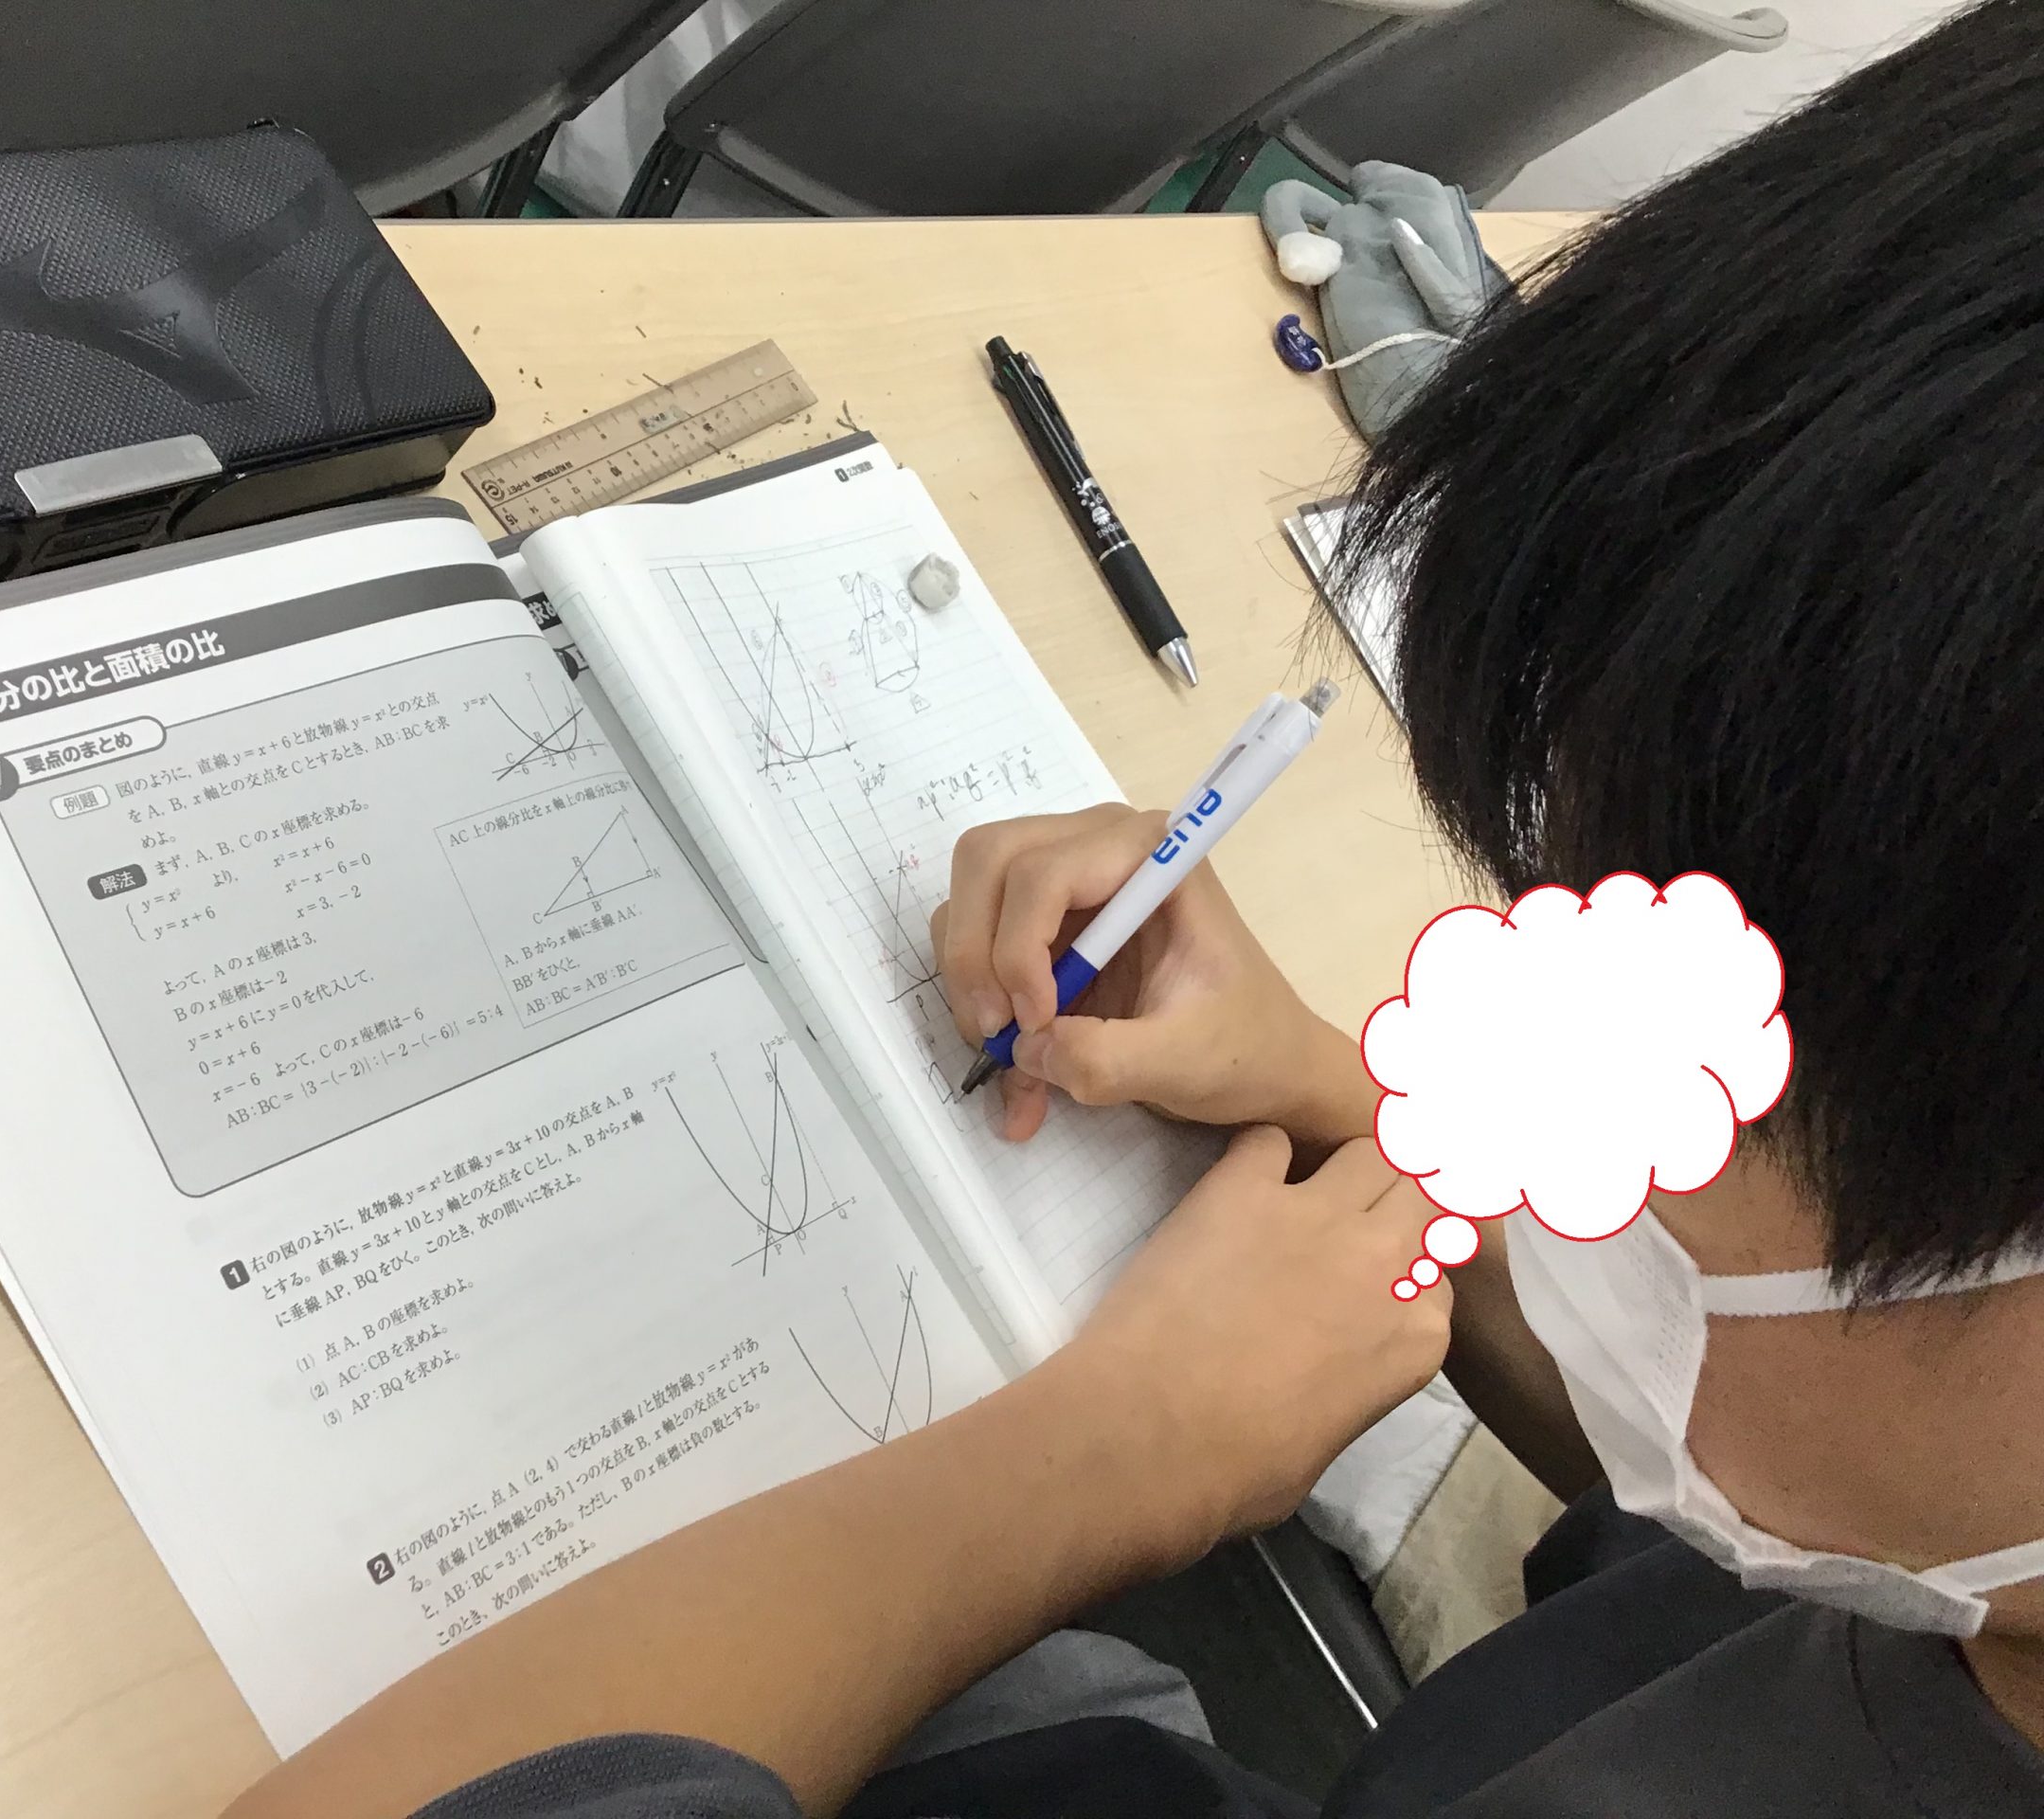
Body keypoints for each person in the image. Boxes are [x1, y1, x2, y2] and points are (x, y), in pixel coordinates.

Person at [223, 5, 2044, 1813]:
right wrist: (1318, 1085)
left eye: (1717, 1086)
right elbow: (1765, 1483)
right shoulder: (1942, 1547)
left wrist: (1108, 1456)